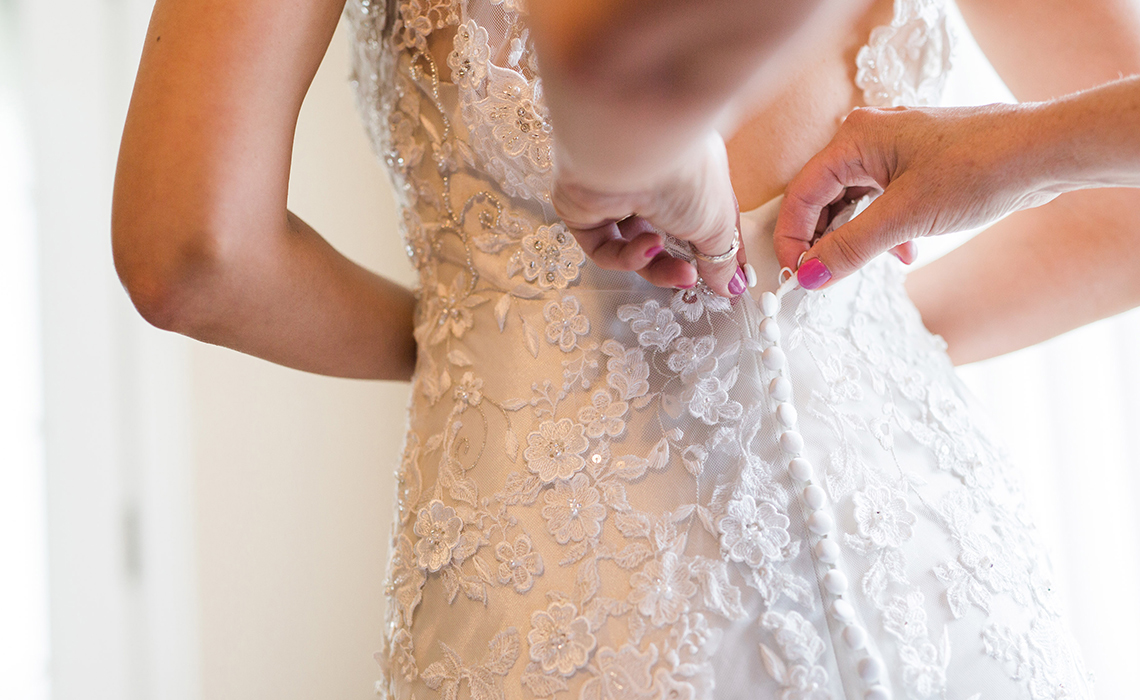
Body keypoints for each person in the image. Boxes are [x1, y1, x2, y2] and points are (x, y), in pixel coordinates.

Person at [111, 0, 1140, 698]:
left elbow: (194, 253)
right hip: (947, 585)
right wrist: (867, 338)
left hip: (568, 595)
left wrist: (487, 340)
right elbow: (1123, 212)